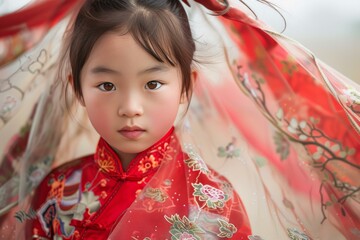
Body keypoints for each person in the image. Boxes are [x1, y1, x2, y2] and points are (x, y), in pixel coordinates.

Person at [0, 0, 359, 239]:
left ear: (187, 86)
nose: (130, 106)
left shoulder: (214, 203)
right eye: (106, 84)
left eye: (153, 83)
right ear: (77, 88)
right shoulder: (56, 190)